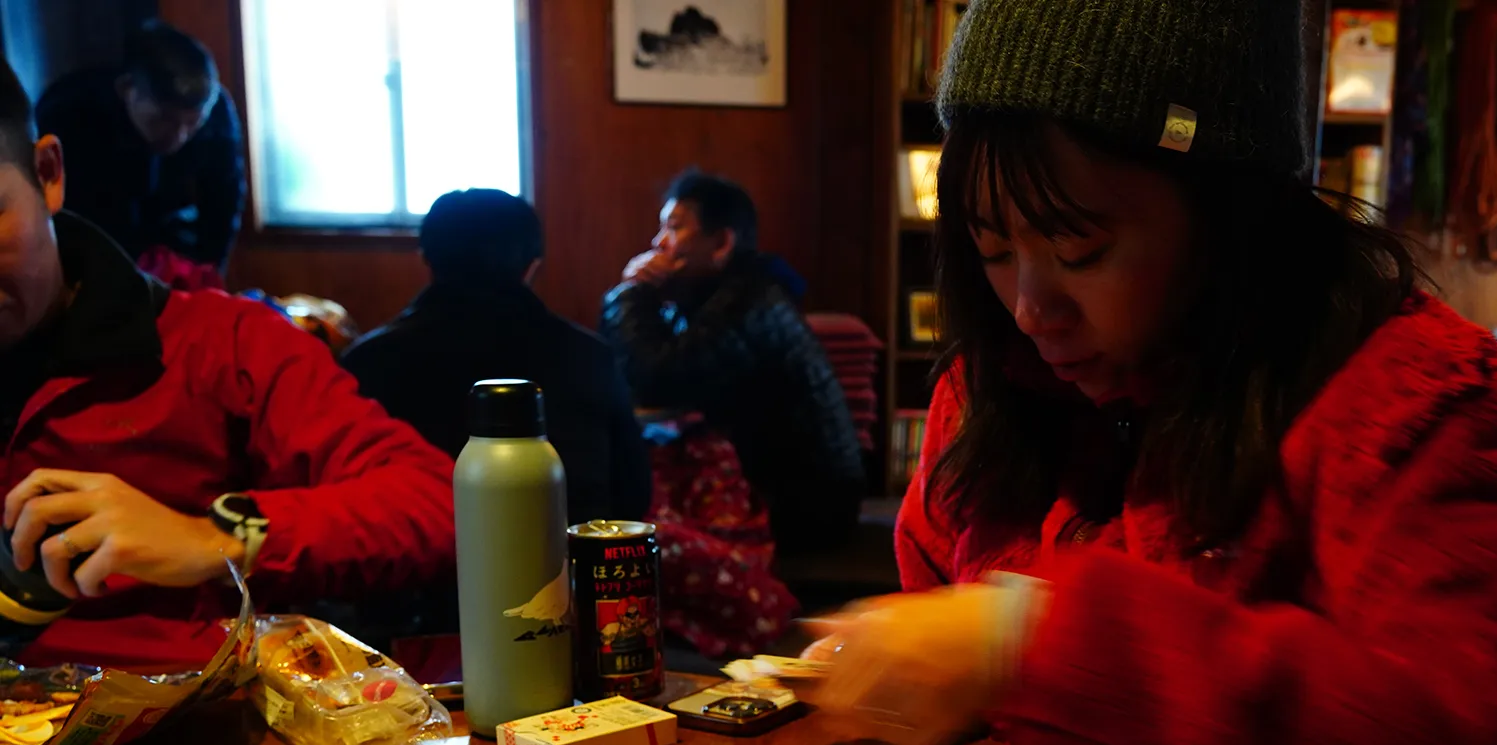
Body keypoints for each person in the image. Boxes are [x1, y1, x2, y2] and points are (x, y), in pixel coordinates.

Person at [806, 0, 1497, 745]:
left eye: (1080, 249)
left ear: (1231, 216)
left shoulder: (1409, 389)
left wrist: (1030, 642)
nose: (1031, 306)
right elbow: (936, 597)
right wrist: (909, 671)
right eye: (993, 249)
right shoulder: (991, 389)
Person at [0, 56, 454, 672]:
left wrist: (215, 539)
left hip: (188, 736)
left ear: (48, 173)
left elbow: (434, 499)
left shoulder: (220, 342)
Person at [343, 189, 652, 526]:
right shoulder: (590, 355)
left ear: (426, 261)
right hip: (572, 565)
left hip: (421, 568)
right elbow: (633, 494)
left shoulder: (368, 361)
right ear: (531, 266)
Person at [600, 170, 864, 555]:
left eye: (674, 228)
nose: (658, 243)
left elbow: (656, 377)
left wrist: (632, 292)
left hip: (805, 508)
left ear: (722, 242)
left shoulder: (749, 303)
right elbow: (637, 373)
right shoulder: (715, 295)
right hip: (771, 486)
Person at [34, 20, 245, 273]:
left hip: (174, 235)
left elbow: (222, 206)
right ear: (127, 89)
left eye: (192, 124)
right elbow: (69, 221)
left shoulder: (217, 115)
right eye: (163, 120)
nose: (178, 136)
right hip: (91, 234)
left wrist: (207, 278)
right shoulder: (70, 114)